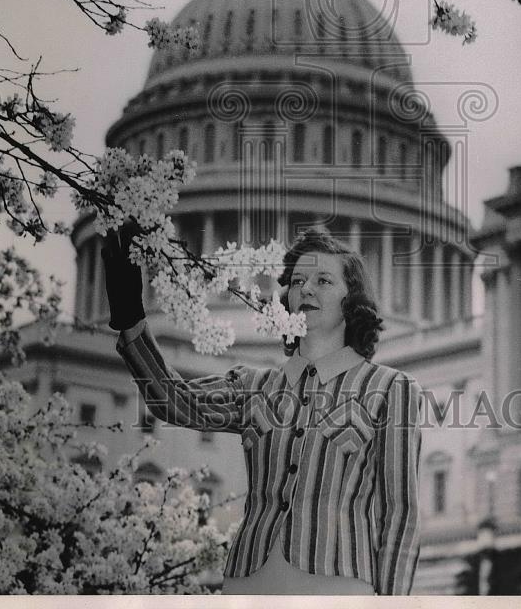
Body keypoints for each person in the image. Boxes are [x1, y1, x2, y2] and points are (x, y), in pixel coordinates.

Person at [104, 224, 423, 595]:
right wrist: (130, 319)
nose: (306, 289)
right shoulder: (254, 385)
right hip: (249, 581)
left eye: (323, 281)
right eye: (299, 280)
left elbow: (400, 515)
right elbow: (174, 401)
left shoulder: (390, 390)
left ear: (352, 300)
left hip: (339, 585)